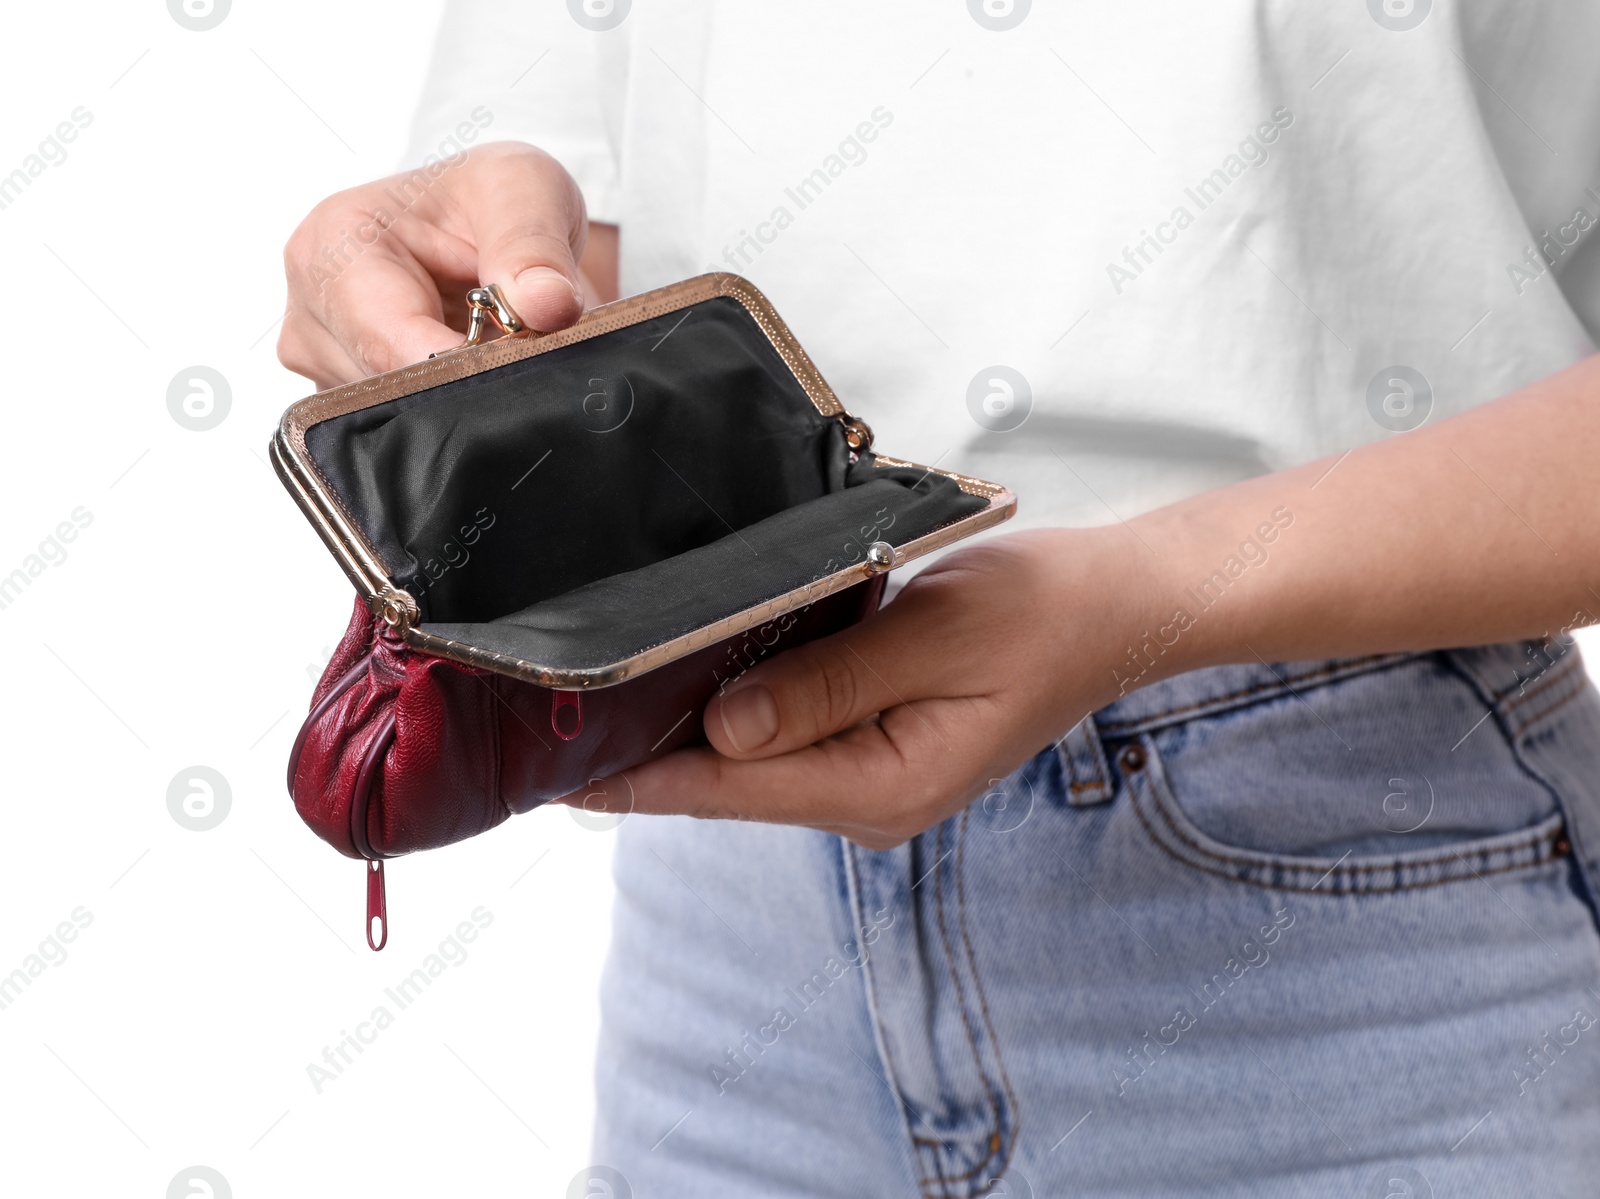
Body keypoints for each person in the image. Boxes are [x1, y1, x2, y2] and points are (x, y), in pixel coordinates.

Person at [278, 3, 1600, 1195]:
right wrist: (485, 288)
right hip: (736, 944)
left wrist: (1152, 589)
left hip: (1353, 913)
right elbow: (597, 225)